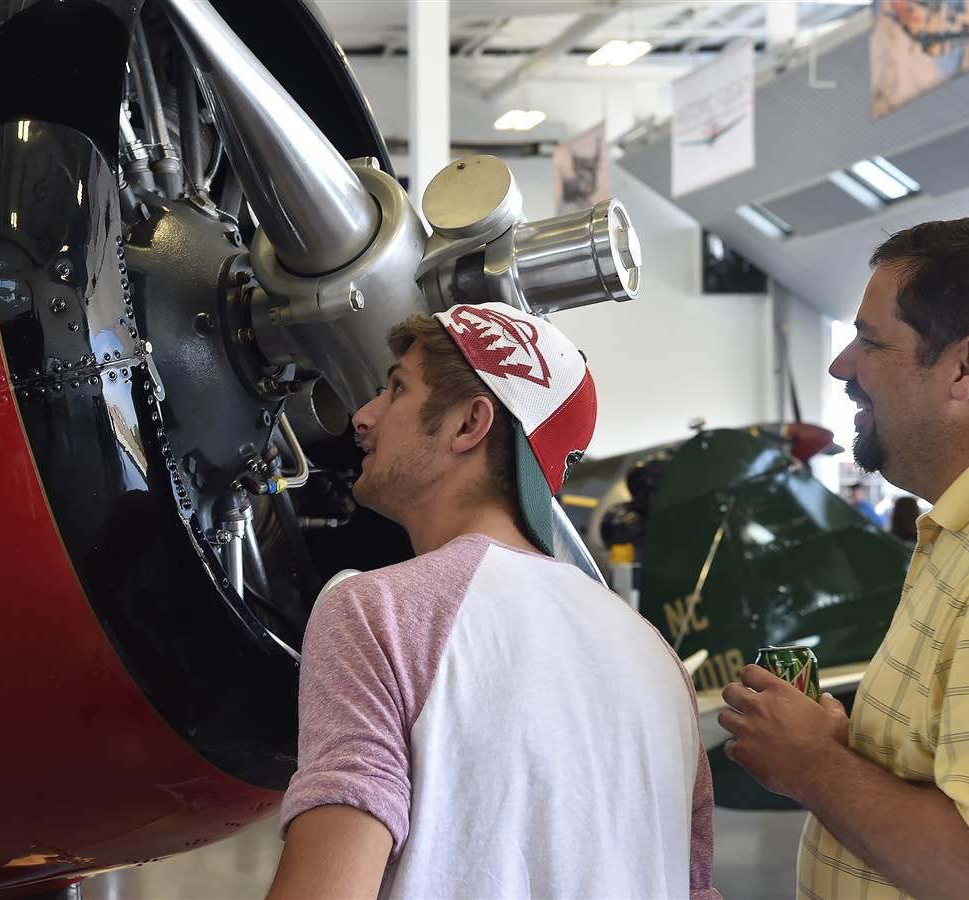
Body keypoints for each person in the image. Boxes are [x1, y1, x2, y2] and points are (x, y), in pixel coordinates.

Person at [717, 218, 969, 899]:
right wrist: (858, 753)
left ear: (968, 366)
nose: (843, 366)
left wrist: (813, 767)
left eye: (871, 341)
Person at [267, 302, 719, 899]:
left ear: (468, 424)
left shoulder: (376, 613)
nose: (363, 417)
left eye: (396, 390)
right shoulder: (658, 661)